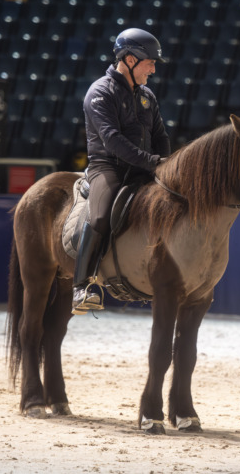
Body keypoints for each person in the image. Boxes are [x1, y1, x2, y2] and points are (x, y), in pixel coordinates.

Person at [72, 28, 171, 315]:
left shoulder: (147, 96)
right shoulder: (100, 92)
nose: (153, 68)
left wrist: (167, 162)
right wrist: (154, 162)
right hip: (108, 167)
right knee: (102, 214)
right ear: (129, 59)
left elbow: (160, 135)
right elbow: (113, 142)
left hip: (142, 167)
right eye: (149, 62)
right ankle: (81, 287)